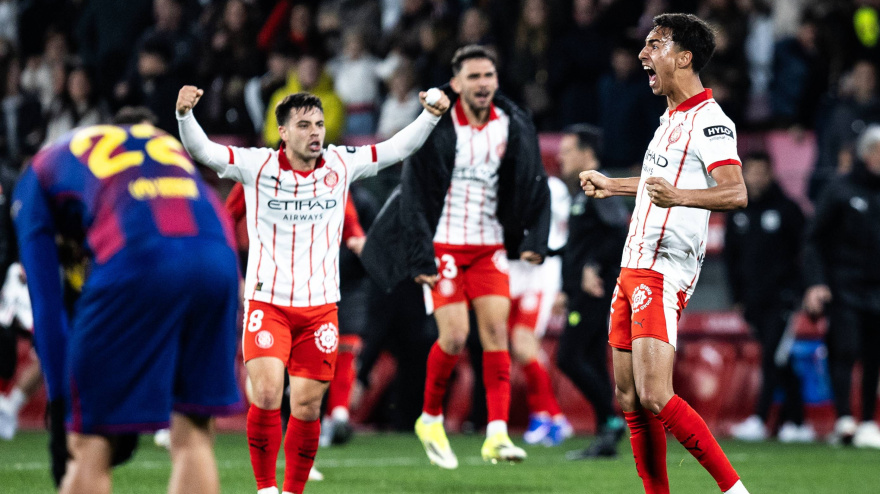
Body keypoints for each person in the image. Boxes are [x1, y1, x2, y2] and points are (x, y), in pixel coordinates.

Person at [176, 82, 449, 494]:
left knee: (306, 405)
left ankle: (292, 491)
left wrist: (430, 115)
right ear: (283, 132)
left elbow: (395, 149)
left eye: (319, 123)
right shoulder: (256, 166)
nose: (315, 132)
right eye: (304, 125)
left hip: (320, 309)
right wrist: (184, 116)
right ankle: (266, 488)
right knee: (267, 393)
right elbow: (204, 151)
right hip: (267, 303)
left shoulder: (341, 163)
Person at [13, 121, 242, 494]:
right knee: (194, 433)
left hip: (138, 253)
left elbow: (47, 308)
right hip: (218, 256)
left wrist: (60, 410)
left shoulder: (34, 180)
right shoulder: (150, 138)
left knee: (92, 442)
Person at [579, 14, 749, 493]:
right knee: (630, 398)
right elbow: (661, 186)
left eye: (655, 45)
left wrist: (681, 198)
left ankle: (735, 490)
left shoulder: (711, 122)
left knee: (656, 394)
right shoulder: (669, 119)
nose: (642, 54)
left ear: (684, 56)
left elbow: (734, 193)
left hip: (663, 269)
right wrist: (615, 186)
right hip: (631, 266)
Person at [362, 45, 550, 469]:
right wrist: (420, 256)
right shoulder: (438, 123)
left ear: (496, 80)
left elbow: (533, 178)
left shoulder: (512, 123)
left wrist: (535, 237)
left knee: (496, 334)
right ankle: (429, 419)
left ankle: (497, 434)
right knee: (452, 337)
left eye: (489, 75)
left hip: (489, 245)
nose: (483, 83)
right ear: (457, 82)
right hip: (445, 243)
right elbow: (412, 191)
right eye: (474, 77)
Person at [726, 152, 814, 443]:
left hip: (782, 299)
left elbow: (806, 253)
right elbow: (731, 259)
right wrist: (738, 296)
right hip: (753, 301)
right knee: (780, 361)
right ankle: (797, 422)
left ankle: (761, 420)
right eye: (752, 172)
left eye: (762, 172)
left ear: (771, 173)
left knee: (773, 358)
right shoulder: (737, 211)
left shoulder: (788, 210)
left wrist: (800, 291)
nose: (757, 178)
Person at [803, 125, 880, 449]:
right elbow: (813, 240)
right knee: (845, 350)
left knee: (874, 355)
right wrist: (816, 283)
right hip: (843, 285)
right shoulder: (839, 190)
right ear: (867, 154)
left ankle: (866, 423)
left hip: (877, 288)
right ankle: (845, 419)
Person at [555, 125, 629, 460]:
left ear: (587, 154)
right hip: (582, 291)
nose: (560, 156)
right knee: (593, 360)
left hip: (596, 290)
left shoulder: (600, 186)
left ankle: (612, 419)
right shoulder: (581, 190)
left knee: (568, 357)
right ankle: (605, 433)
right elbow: (581, 245)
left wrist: (593, 266)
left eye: (568, 149)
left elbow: (617, 233)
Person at [507, 173, 572, 447]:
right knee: (523, 347)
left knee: (523, 344)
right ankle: (553, 417)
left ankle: (543, 416)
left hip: (540, 273)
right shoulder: (501, 181)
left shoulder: (551, 187)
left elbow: (557, 235)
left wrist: (560, 284)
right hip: (512, 272)